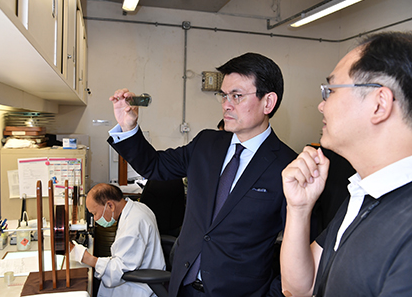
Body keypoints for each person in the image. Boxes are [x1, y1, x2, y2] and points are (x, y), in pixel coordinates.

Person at [108, 52, 297, 296]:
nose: (226, 104)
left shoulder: (288, 166)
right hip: (183, 286)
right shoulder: (207, 144)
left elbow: (302, 249)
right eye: (224, 95)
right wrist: (128, 126)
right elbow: (155, 165)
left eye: (237, 96)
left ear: (268, 102)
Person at [280, 31, 412, 297]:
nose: (321, 106)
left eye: (330, 91)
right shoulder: (364, 195)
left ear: (379, 104)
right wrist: (299, 208)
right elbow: (299, 288)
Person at [69, 183, 165, 297]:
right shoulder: (137, 208)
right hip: (138, 271)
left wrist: (83, 256)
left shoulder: (133, 224)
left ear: (110, 205)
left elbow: (117, 271)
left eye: (94, 213)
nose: (95, 219)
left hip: (139, 286)